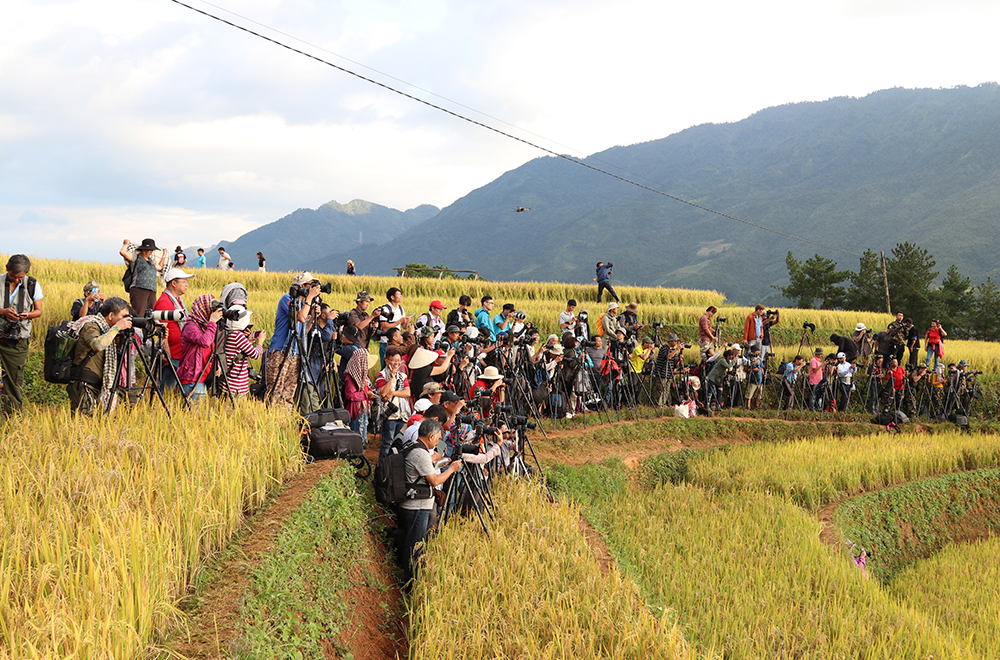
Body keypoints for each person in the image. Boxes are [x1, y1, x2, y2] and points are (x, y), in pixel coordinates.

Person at [397, 418, 463, 586]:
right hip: (417, 506)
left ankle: (411, 577)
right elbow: (434, 481)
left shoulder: (413, 447)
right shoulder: (420, 453)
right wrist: (452, 469)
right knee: (416, 546)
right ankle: (411, 582)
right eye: (438, 437)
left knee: (413, 542)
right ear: (432, 436)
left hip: (413, 503)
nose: (439, 441)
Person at [66, 297, 133, 415]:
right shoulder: (91, 325)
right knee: (83, 425)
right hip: (84, 384)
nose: (126, 320)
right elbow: (97, 345)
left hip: (97, 384)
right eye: (123, 316)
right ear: (111, 316)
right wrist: (117, 327)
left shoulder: (108, 331)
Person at [267, 273, 321, 409]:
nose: (313, 288)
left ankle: (284, 423)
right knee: (276, 390)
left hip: (296, 352)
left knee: (288, 393)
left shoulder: (304, 304)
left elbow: (303, 330)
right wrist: (310, 298)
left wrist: (313, 316)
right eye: (310, 285)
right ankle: (270, 423)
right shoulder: (288, 298)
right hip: (282, 350)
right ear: (302, 286)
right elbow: (300, 317)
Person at [0, 255, 44, 414]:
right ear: (7, 269)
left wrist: (26, 315)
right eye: (14, 276)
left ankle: (12, 417)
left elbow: (38, 311)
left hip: (17, 340)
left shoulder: (32, 284)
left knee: (13, 381)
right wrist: (3, 312)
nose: (17, 280)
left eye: (21, 277)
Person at [153, 268, 194, 391]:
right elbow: (161, 331)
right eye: (184, 282)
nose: (187, 285)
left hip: (180, 353)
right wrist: (166, 354)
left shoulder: (178, 301)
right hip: (172, 355)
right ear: (174, 283)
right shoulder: (164, 302)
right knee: (166, 389)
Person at [178, 294, 223, 402]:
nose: (211, 313)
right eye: (210, 310)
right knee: (194, 414)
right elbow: (205, 342)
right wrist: (212, 322)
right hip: (192, 378)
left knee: (199, 413)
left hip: (203, 376)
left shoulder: (205, 327)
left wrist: (216, 365)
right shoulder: (190, 327)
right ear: (202, 309)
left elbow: (211, 349)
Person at [375, 346, 411, 459]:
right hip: (389, 415)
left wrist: (393, 393)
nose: (397, 363)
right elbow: (383, 393)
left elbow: (407, 392)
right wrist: (391, 378)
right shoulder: (381, 375)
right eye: (394, 360)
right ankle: (382, 467)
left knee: (399, 443)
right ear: (387, 361)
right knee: (387, 443)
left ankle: (393, 467)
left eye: (399, 360)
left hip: (402, 414)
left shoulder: (403, 376)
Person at [223, 307, 266, 397]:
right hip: (237, 385)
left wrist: (249, 342)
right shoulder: (238, 336)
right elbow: (256, 355)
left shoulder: (230, 333)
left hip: (227, 383)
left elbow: (238, 351)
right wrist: (260, 342)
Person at [120, 238, 166, 317]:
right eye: (149, 250)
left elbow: (159, 267)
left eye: (152, 250)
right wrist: (126, 243)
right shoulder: (136, 257)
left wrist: (164, 255)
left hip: (152, 290)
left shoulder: (151, 261)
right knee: (139, 314)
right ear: (144, 249)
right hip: (139, 289)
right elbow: (122, 252)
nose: (151, 252)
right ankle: (136, 329)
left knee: (150, 315)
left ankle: (147, 329)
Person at [344, 348, 376, 441]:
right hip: (356, 409)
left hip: (363, 407)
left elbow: (363, 386)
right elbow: (350, 395)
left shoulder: (362, 374)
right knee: (356, 432)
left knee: (363, 428)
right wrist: (366, 395)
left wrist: (371, 392)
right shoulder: (351, 378)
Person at [376, 288, 410, 368]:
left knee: (397, 366)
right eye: (399, 294)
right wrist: (399, 321)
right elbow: (384, 327)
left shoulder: (401, 309)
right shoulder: (385, 309)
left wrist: (406, 321)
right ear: (392, 297)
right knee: (386, 366)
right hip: (386, 342)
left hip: (397, 343)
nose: (401, 296)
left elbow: (404, 327)